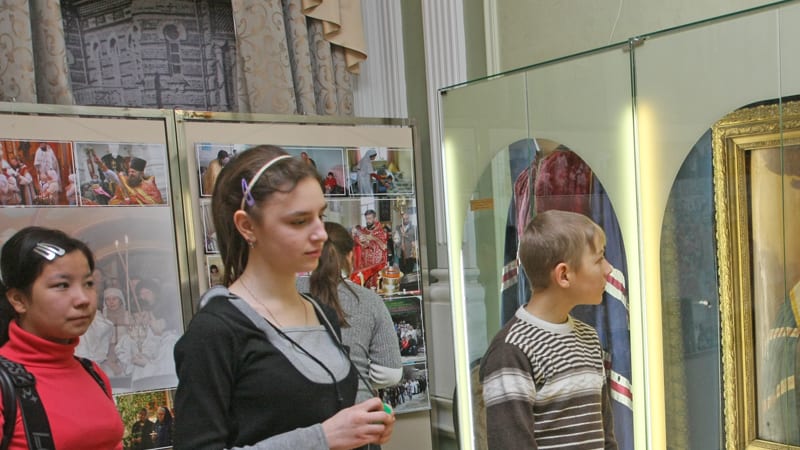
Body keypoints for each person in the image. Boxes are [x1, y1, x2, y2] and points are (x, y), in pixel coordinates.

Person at [173, 145, 395, 449]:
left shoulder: (321, 313)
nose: (321, 234)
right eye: (299, 221)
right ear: (247, 226)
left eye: (320, 216)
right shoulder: (215, 331)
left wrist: (363, 426)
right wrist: (323, 438)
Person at [479, 210, 618, 449]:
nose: (609, 269)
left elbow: (606, 439)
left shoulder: (589, 338)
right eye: (598, 259)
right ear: (563, 275)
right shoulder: (510, 352)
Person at [0, 226, 124, 448]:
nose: (83, 299)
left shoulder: (93, 372)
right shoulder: (5, 386)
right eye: (62, 285)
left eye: (88, 283)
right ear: (18, 299)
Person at [297, 221, 402, 406]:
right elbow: (390, 374)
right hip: (357, 406)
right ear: (350, 255)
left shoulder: (289, 292)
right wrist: (358, 376)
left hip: (303, 407)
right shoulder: (369, 300)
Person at [94, 154, 165, 205]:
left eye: (133, 172)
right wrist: (100, 164)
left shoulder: (149, 184)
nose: (130, 174)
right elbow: (114, 176)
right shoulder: (126, 182)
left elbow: (156, 202)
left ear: (141, 174)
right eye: (129, 172)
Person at [352, 210, 388, 288]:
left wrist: (371, 239)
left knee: (376, 287)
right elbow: (359, 244)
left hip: (376, 266)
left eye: (370, 218)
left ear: (375, 218)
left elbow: (384, 247)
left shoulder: (381, 232)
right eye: (366, 219)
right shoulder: (364, 230)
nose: (367, 221)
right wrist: (355, 235)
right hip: (365, 265)